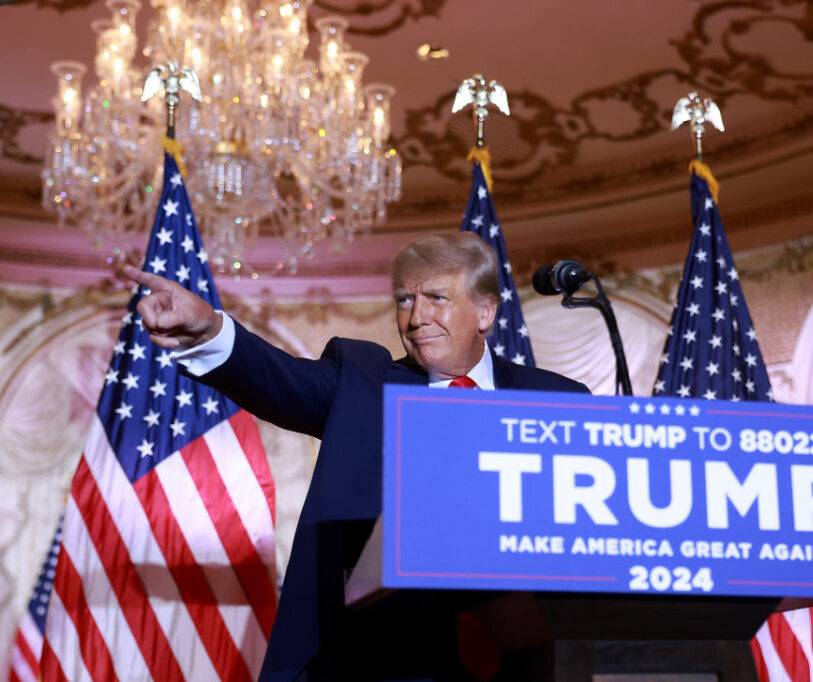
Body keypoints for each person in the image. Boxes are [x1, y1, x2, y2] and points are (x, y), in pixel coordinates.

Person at [124, 231, 590, 681]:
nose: (416, 317)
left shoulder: (559, 400)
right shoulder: (362, 383)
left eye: (436, 298)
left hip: (541, 653)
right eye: (405, 300)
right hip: (387, 657)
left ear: (485, 311)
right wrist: (210, 330)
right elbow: (279, 379)